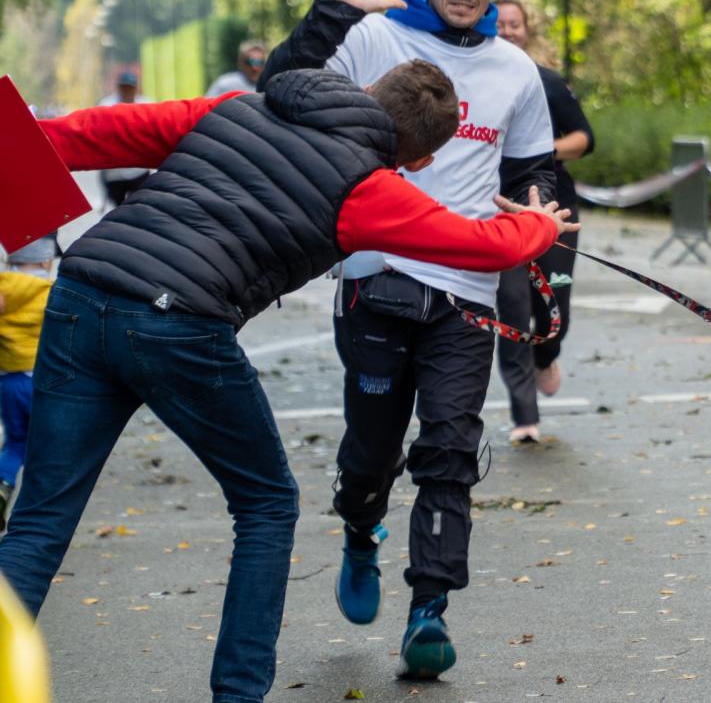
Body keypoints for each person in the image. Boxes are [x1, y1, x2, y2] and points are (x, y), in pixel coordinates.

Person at [0, 62, 576, 703]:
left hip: (81, 293)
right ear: (418, 163)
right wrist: (541, 226)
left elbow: (81, 135)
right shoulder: (372, 188)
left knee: (39, 523)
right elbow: (481, 245)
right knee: (267, 504)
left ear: (365, 91)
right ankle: (239, 695)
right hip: (180, 324)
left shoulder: (234, 109)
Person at [257, 0, 557, 680]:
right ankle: (361, 529)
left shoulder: (515, 71)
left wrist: (536, 211)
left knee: (450, 446)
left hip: (466, 289)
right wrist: (339, 7)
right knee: (371, 455)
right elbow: (277, 88)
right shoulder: (372, 36)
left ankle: (429, 609)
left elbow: (535, 171)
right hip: (375, 278)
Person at [494, 0, 594, 444]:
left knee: (556, 306)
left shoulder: (547, 81)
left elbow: (583, 138)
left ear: (527, 29)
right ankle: (524, 416)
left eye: (514, 23)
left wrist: (538, 150)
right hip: (498, 211)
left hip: (555, 208)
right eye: (499, 22)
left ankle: (545, 355)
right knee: (512, 309)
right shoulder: (473, 80)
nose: (506, 30)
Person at [0, 235, 56, 533]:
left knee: (16, 443)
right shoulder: (50, 292)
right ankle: (35, 511)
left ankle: (2, 486)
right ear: (46, 261)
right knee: (47, 446)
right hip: (40, 382)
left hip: (7, 382)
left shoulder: (2, 292)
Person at [97, 70, 153, 208]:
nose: (127, 91)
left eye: (130, 87)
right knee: (119, 208)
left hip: (139, 171)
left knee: (139, 208)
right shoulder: (106, 105)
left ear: (136, 88)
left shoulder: (148, 105)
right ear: (119, 88)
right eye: (124, 87)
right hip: (114, 173)